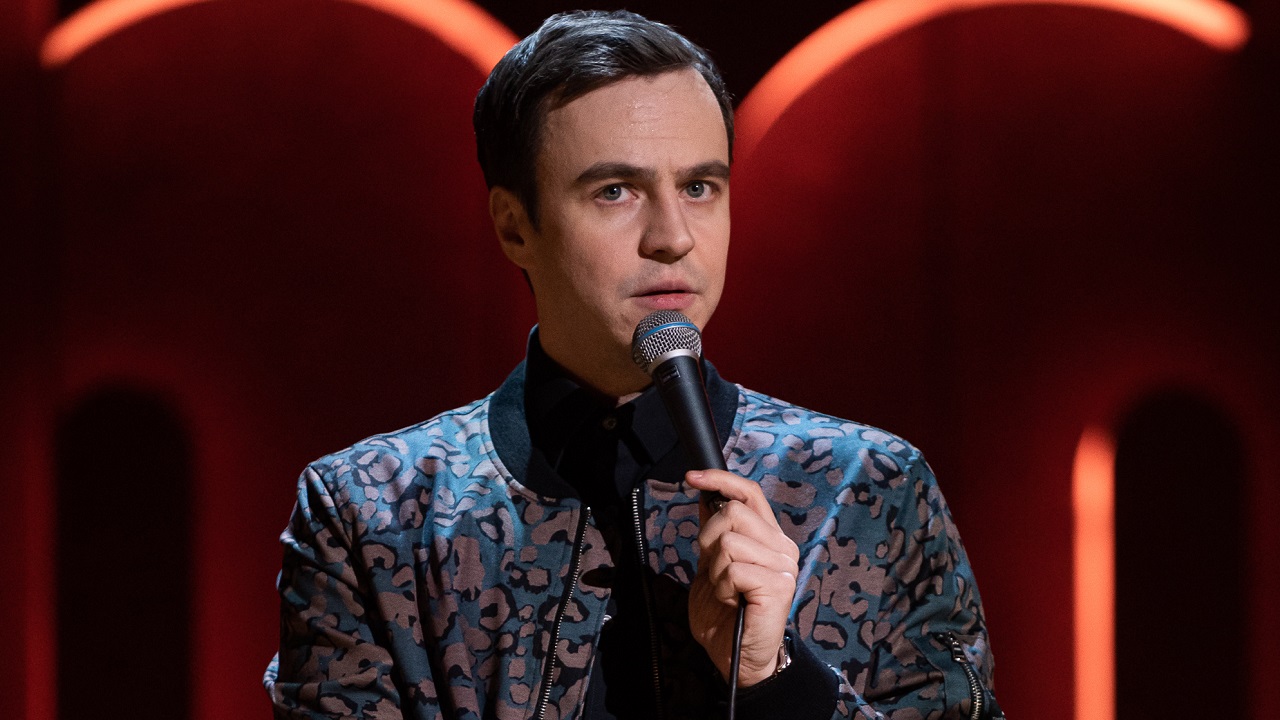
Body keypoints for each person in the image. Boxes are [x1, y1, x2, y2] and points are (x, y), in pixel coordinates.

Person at [265, 10, 1001, 720]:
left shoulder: (868, 487)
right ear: (515, 227)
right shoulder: (374, 511)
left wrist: (773, 679)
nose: (673, 237)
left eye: (699, 188)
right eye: (615, 192)